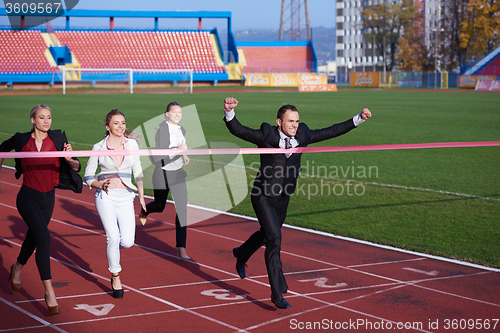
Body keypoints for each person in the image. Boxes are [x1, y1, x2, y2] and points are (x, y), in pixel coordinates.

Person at [223, 97, 372, 309]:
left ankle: (242, 253)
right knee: (274, 239)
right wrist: (230, 113)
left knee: (267, 235)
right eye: (290, 121)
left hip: (284, 196)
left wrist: (358, 119)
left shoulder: (303, 134)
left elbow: (331, 131)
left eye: (297, 121)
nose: (295, 125)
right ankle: (276, 293)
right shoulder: (266, 134)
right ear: (279, 122)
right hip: (263, 195)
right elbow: (240, 130)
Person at [0, 104, 82, 315]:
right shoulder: (21, 139)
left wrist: (69, 159)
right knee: (45, 239)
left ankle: (17, 267)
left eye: (49, 117)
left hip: (49, 197)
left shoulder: (57, 139)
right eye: (42, 117)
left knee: (34, 238)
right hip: (27, 196)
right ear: (33, 120)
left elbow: (76, 166)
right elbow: (2, 149)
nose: (46, 121)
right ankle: (49, 292)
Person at [84, 109, 146, 299]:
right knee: (113, 236)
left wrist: (142, 197)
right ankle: (115, 276)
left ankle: (112, 251)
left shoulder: (132, 144)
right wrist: (99, 184)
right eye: (116, 123)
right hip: (106, 196)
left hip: (126, 196)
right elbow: (87, 176)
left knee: (127, 241)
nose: (121, 126)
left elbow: (138, 171)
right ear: (107, 126)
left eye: (123, 123)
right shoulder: (98, 147)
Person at [139, 102, 190, 260]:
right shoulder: (161, 129)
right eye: (174, 112)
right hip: (162, 172)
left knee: (182, 209)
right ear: (167, 114)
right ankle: (146, 210)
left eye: (180, 112)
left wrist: (184, 154)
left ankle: (180, 247)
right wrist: (178, 151)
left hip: (178, 173)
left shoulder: (181, 129)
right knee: (160, 206)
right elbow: (162, 153)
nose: (177, 115)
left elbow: (183, 144)